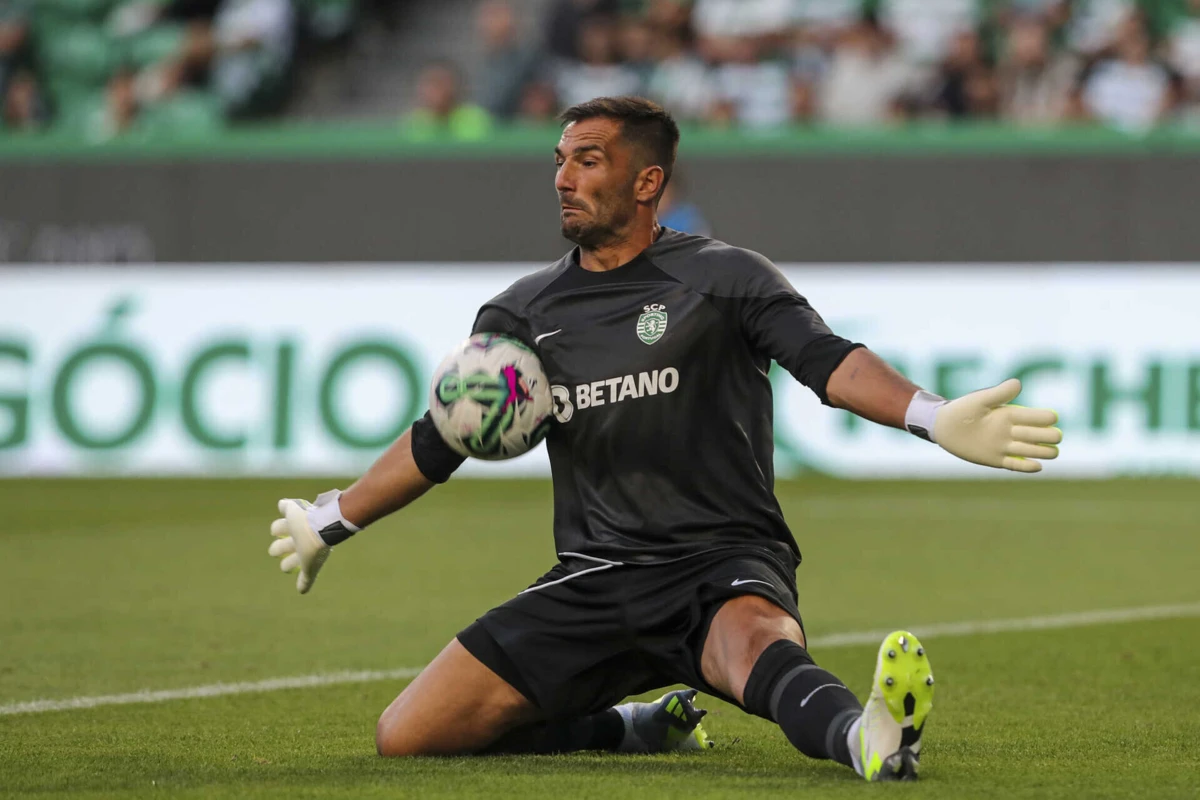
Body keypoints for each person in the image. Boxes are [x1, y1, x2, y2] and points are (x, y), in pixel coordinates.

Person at [267, 97, 1063, 782]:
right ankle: (632, 726)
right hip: (593, 577)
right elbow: (444, 440)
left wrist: (931, 415)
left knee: (759, 651)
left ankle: (869, 739)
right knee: (406, 736)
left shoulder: (726, 278)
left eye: (588, 159)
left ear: (647, 182)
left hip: (718, 563)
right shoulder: (520, 315)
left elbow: (830, 364)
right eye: (559, 159)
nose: (563, 177)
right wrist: (331, 519)